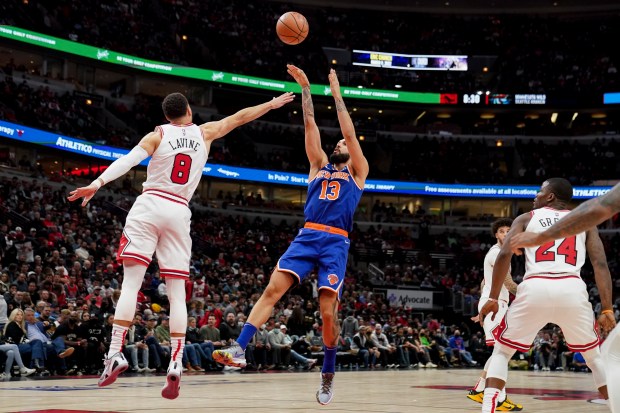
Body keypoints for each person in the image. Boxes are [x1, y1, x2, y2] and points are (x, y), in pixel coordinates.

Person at [67, 91, 294, 399]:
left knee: (132, 284)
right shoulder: (205, 132)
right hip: (179, 210)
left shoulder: (157, 134)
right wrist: (271, 104)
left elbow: (129, 160)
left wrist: (96, 184)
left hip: (150, 204)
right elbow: (241, 117)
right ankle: (176, 361)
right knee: (176, 294)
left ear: (167, 116)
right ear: (189, 110)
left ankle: (116, 352)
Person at [213, 65, 369, 406]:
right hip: (307, 235)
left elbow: (352, 135)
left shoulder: (358, 172)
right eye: (339, 142)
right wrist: (306, 90)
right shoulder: (318, 166)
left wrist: (338, 95)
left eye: (344, 141)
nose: (341, 142)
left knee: (328, 312)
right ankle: (239, 348)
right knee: (272, 289)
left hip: (335, 242)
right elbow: (310, 125)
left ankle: (327, 373)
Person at [479, 178, 616, 413]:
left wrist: (492, 297)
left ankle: (489, 408)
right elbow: (600, 264)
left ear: (550, 196)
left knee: (502, 351)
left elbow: (504, 256)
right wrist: (607, 309)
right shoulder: (585, 220)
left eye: (540, 192)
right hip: (572, 289)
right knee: (594, 358)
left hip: (535, 287)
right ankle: (615, 406)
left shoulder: (526, 218)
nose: (536, 196)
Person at [467, 219, 522, 411]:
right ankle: (491, 394)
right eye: (501, 231)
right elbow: (507, 282)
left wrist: (482, 307)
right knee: (502, 352)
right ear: (496, 235)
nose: (506, 233)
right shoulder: (498, 253)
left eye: (509, 230)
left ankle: (484, 390)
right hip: (496, 305)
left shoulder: (497, 253)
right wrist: (528, 292)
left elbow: (484, 282)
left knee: (502, 352)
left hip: (496, 304)